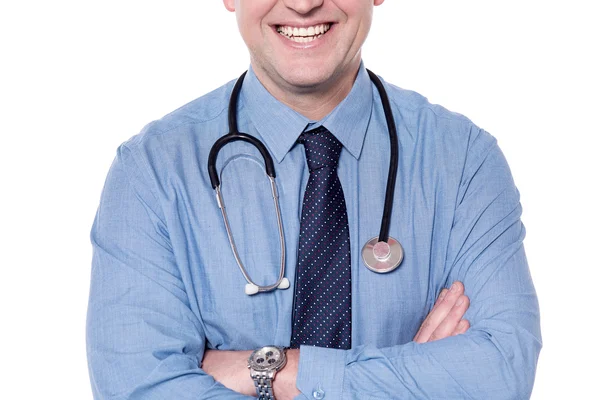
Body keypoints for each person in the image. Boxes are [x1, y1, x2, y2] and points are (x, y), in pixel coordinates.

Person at [86, 1, 541, 399]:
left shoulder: (463, 160)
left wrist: (269, 370)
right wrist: (411, 380)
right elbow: (138, 387)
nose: (303, 4)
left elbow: (501, 371)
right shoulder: (151, 171)